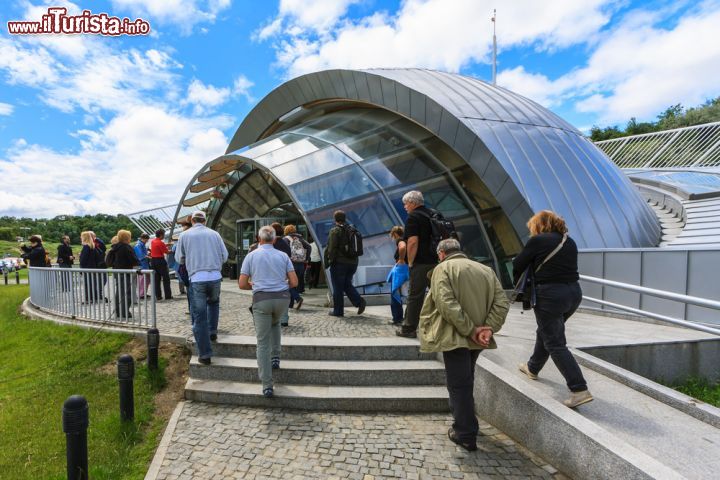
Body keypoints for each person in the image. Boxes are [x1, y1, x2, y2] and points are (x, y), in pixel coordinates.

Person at [419, 238, 509, 452]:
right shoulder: (485, 270)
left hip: (456, 336)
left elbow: (445, 303)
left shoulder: (443, 269)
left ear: (441, 254)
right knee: (465, 380)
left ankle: (465, 433)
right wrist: (487, 328)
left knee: (458, 385)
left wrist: (470, 329)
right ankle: (469, 424)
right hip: (478, 339)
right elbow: (502, 302)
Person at [513, 210, 593, 409]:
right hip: (573, 293)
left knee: (555, 342)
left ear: (539, 225)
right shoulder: (570, 242)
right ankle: (532, 367)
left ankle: (579, 389)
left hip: (550, 295)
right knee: (548, 331)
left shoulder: (538, 241)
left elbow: (518, 263)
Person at [239, 225, 298, 398]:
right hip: (282, 300)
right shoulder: (283, 255)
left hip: (262, 300)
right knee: (276, 323)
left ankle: (267, 384)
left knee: (262, 341)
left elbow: (242, 284)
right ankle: (276, 358)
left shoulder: (251, 256)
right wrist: (279, 286)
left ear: (258, 239)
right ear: (274, 239)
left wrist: (256, 285)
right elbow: (294, 282)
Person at [175, 211, 229, 365]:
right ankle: (212, 332)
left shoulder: (185, 235)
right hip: (215, 277)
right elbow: (224, 256)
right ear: (205, 221)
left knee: (199, 315)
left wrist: (190, 258)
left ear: (192, 221)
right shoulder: (215, 234)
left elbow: (179, 258)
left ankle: (205, 355)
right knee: (214, 303)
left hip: (197, 277)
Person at [397, 190, 437, 338]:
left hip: (421, 263)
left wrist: (411, 262)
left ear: (413, 203)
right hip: (438, 261)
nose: (405, 207)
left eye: (406, 204)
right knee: (440, 295)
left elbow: (413, 242)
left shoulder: (413, 217)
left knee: (415, 296)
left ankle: (408, 329)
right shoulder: (433, 214)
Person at [324, 210, 366, 317]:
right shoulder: (352, 229)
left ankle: (338, 311)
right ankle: (359, 302)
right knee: (346, 284)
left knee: (338, 287)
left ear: (335, 219)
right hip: (353, 263)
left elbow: (332, 248)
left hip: (340, 263)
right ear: (344, 218)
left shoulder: (335, 230)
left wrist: (330, 261)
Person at [105, 229, 139, 319]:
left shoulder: (114, 247)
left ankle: (118, 311)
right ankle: (125, 312)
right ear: (127, 238)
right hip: (125, 272)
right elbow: (134, 260)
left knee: (119, 293)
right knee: (127, 293)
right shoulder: (126, 247)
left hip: (117, 272)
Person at [283, 224, 310, 310]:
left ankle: (298, 298)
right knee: (293, 284)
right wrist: (306, 258)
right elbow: (309, 247)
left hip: (291, 264)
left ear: (286, 231)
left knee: (288, 284)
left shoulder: (285, 239)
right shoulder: (300, 238)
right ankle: (290, 304)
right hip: (301, 265)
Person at [387, 226, 408, 325]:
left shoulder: (400, 240)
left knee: (395, 294)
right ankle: (400, 317)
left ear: (395, 234)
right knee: (402, 295)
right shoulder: (407, 239)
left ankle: (397, 318)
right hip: (406, 270)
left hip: (401, 271)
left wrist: (401, 259)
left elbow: (402, 246)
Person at [79, 231, 104, 303]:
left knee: (88, 284)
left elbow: (83, 260)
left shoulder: (86, 247)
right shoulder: (92, 246)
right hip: (93, 268)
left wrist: (81, 257)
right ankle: (94, 297)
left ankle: (89, 299)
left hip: (87, 268)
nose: (81, 238)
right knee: (92, 283)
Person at [150, 229, 173, 301]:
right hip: (160, 261)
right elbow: (166, 252)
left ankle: (158, 296)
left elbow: (158, 245)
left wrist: (166, 244)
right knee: (166, 278)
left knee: (156, 279)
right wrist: (174, 251)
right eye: (163, 234)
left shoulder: (153, 241)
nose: (164, 236)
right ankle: (168, 295)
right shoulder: (161, 243)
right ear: (161, 235)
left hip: (153, 261)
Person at [134, 233, 151, 298]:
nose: (147, 241)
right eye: (146, 240)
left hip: (145, 264)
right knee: (142, 280)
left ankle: (144, 292)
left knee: (147, 279)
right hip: (142, 265)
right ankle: (141, 294)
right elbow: (140, 255)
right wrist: (148, 257)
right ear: (143, 239)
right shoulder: (138, 245)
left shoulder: (142, 244)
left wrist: (148, 253)